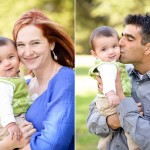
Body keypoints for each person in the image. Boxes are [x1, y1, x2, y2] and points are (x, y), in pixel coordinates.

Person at [0, 9, 75, 150]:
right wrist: (6, 145)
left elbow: (53, 144)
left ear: (51, 43)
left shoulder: (65, 80)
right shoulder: (24, 85)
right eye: (21, 45)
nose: (27, 52)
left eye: (35, 43)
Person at [87, 13, 150, 150]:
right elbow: (91, 121)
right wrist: (112, 121)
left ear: (147, 48)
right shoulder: (118, 72)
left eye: (129, 38)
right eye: (122, 36)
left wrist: (123, 105)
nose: (120, 42)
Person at [0, 37, 32, 141]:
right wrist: (11, 125)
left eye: (10, 57)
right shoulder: (4, 84)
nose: (7, 63)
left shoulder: (15, 78)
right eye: (0, 61)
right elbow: (3, 106)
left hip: (17, 117)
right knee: (25, 139)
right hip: (10, 122)